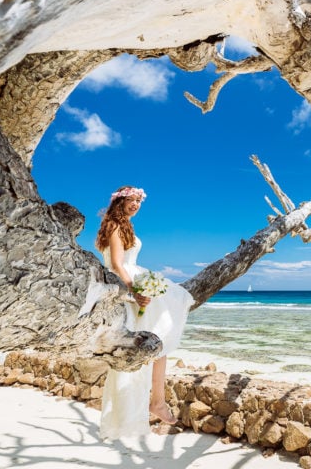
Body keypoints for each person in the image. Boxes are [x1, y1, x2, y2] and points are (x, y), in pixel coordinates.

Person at [94, 185, 194, 439]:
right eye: (132, 200)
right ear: (120, 202)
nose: (137, 205)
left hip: (132, 280)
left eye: (139, 201)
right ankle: (154, 403)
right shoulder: (115, 226)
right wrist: (134, 290)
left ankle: (158, 401)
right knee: (153, 341)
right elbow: (117, 264)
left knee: (158, 342)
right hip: (126, 284)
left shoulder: (124, 225)